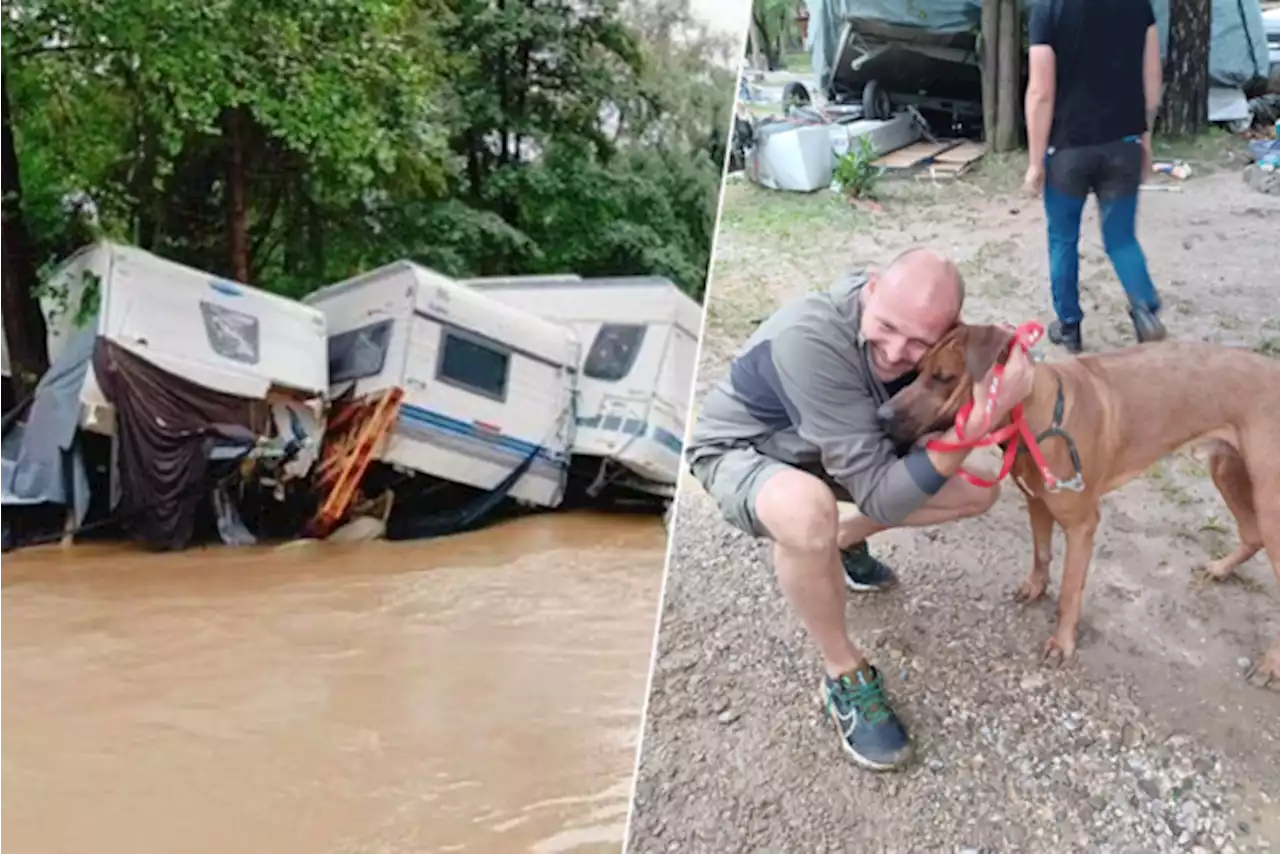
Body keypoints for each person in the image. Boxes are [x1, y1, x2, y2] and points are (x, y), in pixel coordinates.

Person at [685, 248, 1034, 771]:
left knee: (980, 486)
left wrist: (1013, 362)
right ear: (871, 290)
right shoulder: (810, 338)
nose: (896, 351)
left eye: (919, 340)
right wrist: (977, 427)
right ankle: (843, 673)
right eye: (887, 326)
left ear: (949, 328)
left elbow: (995, 363)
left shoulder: (932, 333)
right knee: (807, 513)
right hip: (751, 449)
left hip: (834, 446)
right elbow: (880, 494)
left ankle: (840, 542)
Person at [1022, 0, 1167, 354]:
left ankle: (1069, 326)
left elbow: (1041, 92)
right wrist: (1144, 135)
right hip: (1123, 144)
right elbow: (1152, 75)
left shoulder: (1047, 8)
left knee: (1063, 239)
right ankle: (1144, 308)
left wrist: (1036, 161)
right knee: (1121, 237)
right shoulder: (1138, 5)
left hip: (1067, 150)